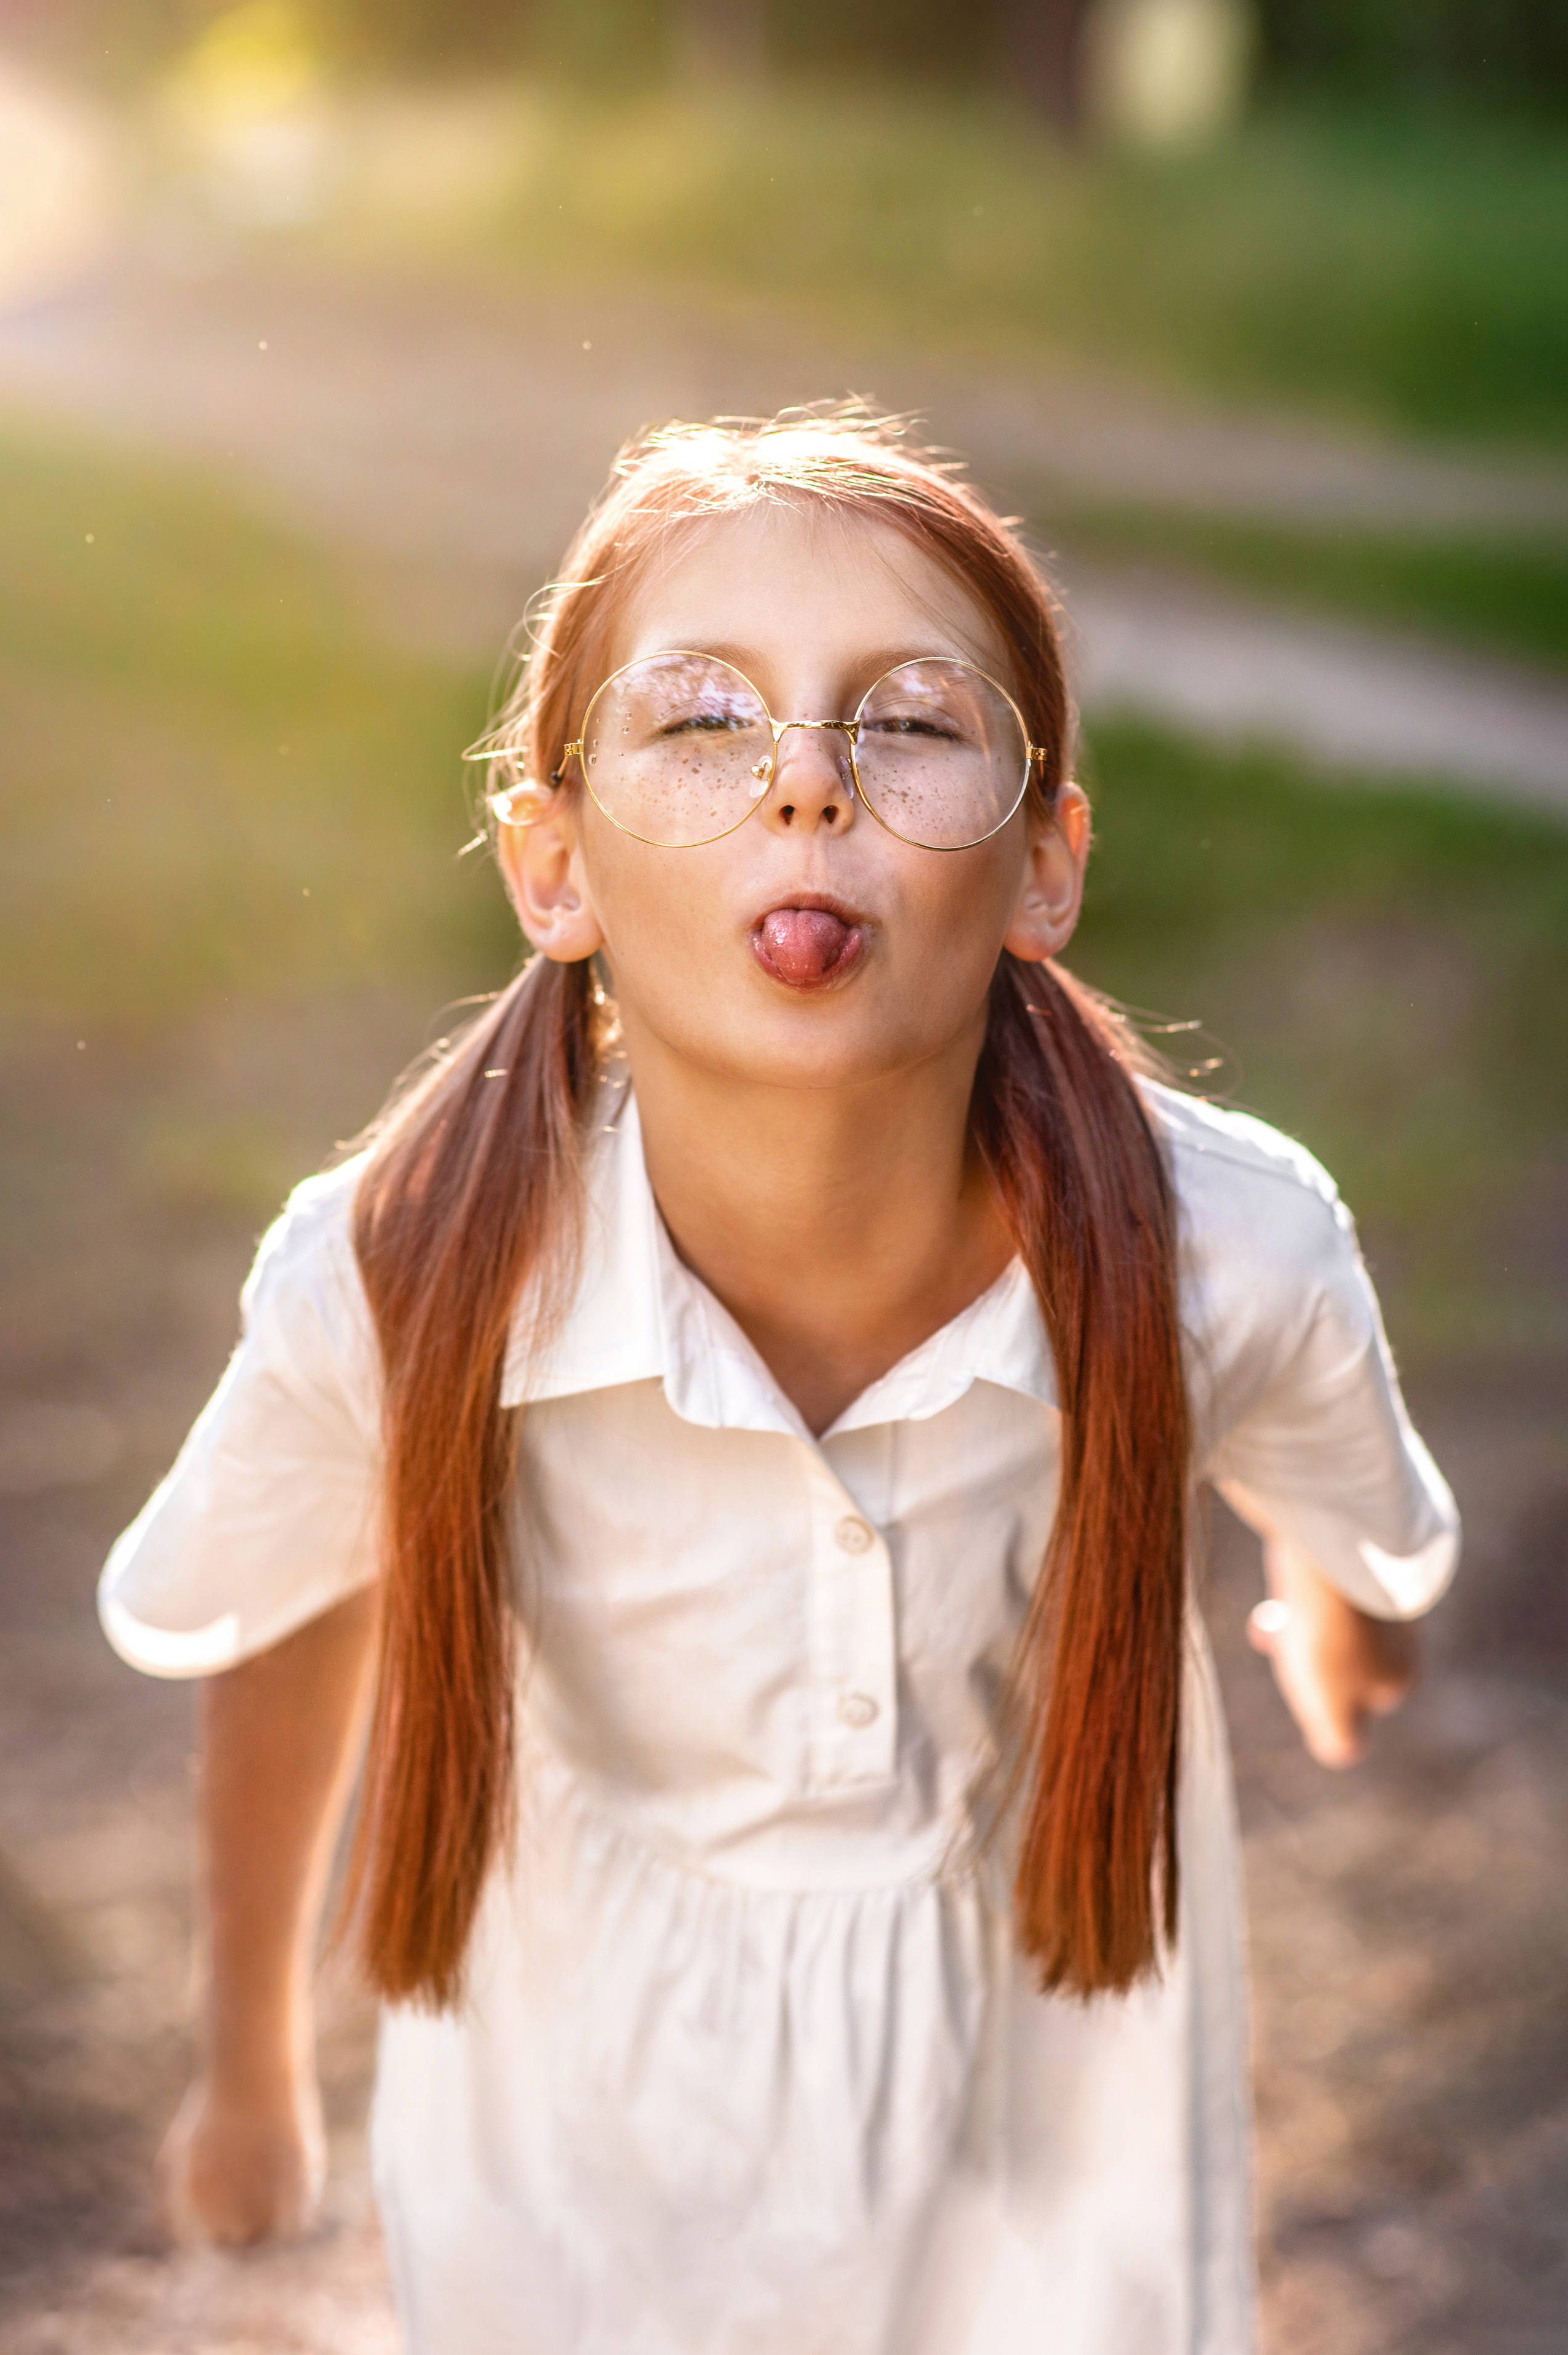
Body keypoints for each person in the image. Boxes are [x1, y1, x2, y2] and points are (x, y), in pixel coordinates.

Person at [98, 410, 1458, 2355]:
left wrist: (1343, 1601)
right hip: (570, 2165)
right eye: (701, 719)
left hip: (1053, 2158)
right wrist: (249, 2063)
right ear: (551, 867)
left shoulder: (1228, 1251)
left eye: (905, 721)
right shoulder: (398, 1275)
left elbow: (1361, 1528)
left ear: (1046, 868)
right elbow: (282, 1597)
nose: (808, 782)